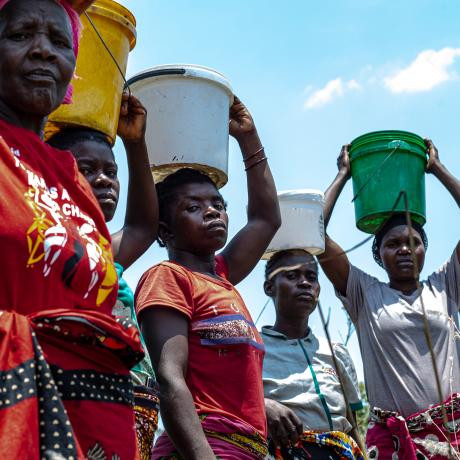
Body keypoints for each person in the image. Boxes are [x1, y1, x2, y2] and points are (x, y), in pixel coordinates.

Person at [0, 0, 143, 457]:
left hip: (90, 425)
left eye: (59, 41)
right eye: (21, 35)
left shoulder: (72, 180)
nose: (43, 51)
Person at [135, 96, 281, 459]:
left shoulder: (222, 277)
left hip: (246, 448)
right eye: (193, 207)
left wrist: (249, 138)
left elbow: (266, 220)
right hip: (204, 448)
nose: (212, 211)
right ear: (164, 229)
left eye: (218, 204)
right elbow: (171, 380)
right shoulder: (167, 278)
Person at [319, 141, 460, 459]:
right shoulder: (365, 293)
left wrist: (437, 169)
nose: (405, 249)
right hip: (391, 443)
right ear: (379, 256)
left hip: (450, 438)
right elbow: (314, 233)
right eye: (394, 243)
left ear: (425, 249)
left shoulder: (446, 286)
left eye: (414, 242)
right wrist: (343, 174)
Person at [47, 94, 159, 459]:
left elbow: (142, 225)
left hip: (131, 408)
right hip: (74, 404)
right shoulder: (46, 244)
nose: (104, 180)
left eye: (111, 172)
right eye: (86, 169)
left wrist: (135, 143)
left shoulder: (104, 250)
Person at [262, 249, 364, 460]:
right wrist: (263, 405)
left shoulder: (335, 352)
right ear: (269, 287)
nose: (304, 283)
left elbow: (351, 423)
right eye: (291, 276)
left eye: (311, 277)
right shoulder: (254, 349)